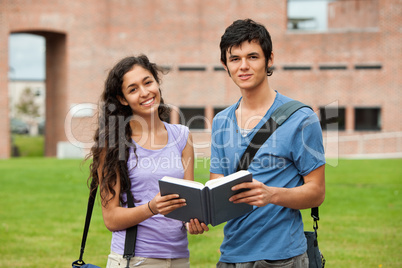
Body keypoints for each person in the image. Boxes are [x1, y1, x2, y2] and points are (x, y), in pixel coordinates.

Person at [187, 19, 326, 267]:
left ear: (269, 59)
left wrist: (271, 194)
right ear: (225, 65)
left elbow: (316, 192)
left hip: (282, 257)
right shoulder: (221, 121)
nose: (244, 66)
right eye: (235, 59)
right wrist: (200, 213)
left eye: (252, 56)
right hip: (231, 255)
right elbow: (218, 183)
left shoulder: (300, 118)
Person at [87, 55, 194, 268]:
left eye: (148, 82)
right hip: (136, 260)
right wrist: (151, 208)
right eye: (133, 89)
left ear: (157, 83)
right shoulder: (114, 144)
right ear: (123, 99)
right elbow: (111, 218)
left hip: (180, 258)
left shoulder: (182, 136)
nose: (145, 92)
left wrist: (193, 220)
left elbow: (187, 204)